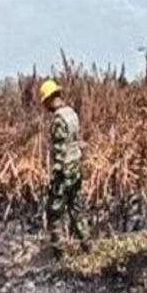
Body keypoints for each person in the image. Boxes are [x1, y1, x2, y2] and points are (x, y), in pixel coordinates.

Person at [38, 79, 90, 258]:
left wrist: (54, 178)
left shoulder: (59, 120)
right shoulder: (72, 114)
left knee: (54, 212)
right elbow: (75, 142)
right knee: (76, 209)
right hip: (75, 169)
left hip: (64, 172)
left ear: (50, 99)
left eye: (45, 102)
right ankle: (87, 247)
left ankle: (60, 257)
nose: (44, 106)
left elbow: (60, 152)